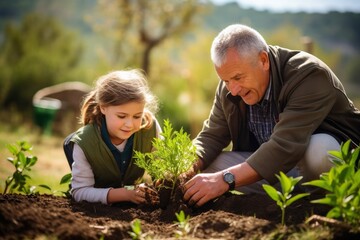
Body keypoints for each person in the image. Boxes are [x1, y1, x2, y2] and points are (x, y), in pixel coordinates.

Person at [183, 24, 360, 207]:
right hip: (274, 171)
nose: (233, 90)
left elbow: (285, 145)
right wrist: (184, 167)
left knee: (320, 148)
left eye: (238, 78)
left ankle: (323, 207)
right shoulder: (230, 89)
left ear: (263, 60)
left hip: (322, 170)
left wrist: (226, 179)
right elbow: (211, 135)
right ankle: (283, 204)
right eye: (226, 81)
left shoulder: (309, 75)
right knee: (209, 166)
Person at [66, 69, 161, 205]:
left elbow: (161, 172)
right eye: (121, 116)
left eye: (137, 116)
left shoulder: (149, 128)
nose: (129, 124)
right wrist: (124, 194)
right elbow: (80, 192)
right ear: (103, 108)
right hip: (97, 208)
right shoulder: (84, 142)